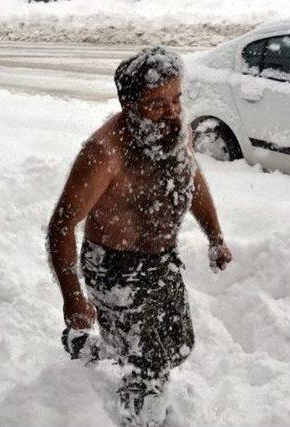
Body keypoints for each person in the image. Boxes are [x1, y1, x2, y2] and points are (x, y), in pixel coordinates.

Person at [47, 46, 233, 427]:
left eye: (177, 98)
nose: (171, 112)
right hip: (114, 267)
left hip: (162, 259)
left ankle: (94, 345)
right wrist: (73, 296)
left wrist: (215, 236)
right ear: (128, 103)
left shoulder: (174, 130)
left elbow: (193, 182)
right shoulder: (104, 152)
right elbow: (62, 225)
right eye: (156, 103)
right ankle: (142, 417)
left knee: (179, 343)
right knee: (151, 366)